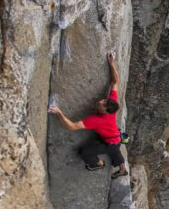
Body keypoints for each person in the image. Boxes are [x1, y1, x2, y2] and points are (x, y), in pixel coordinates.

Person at [48, 51, 128, 179]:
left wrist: (59, 113)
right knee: (115, 148)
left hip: (110, 141)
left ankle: (97, 164)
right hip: (114, 137)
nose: (101, 101)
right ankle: (122, 169)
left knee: (86, 152)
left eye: (102, 104)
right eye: (104, 100)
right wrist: (111, 63)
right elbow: (115, 82)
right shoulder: (112, 103)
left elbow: (72, 127)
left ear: (105, 111)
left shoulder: (97, 120)